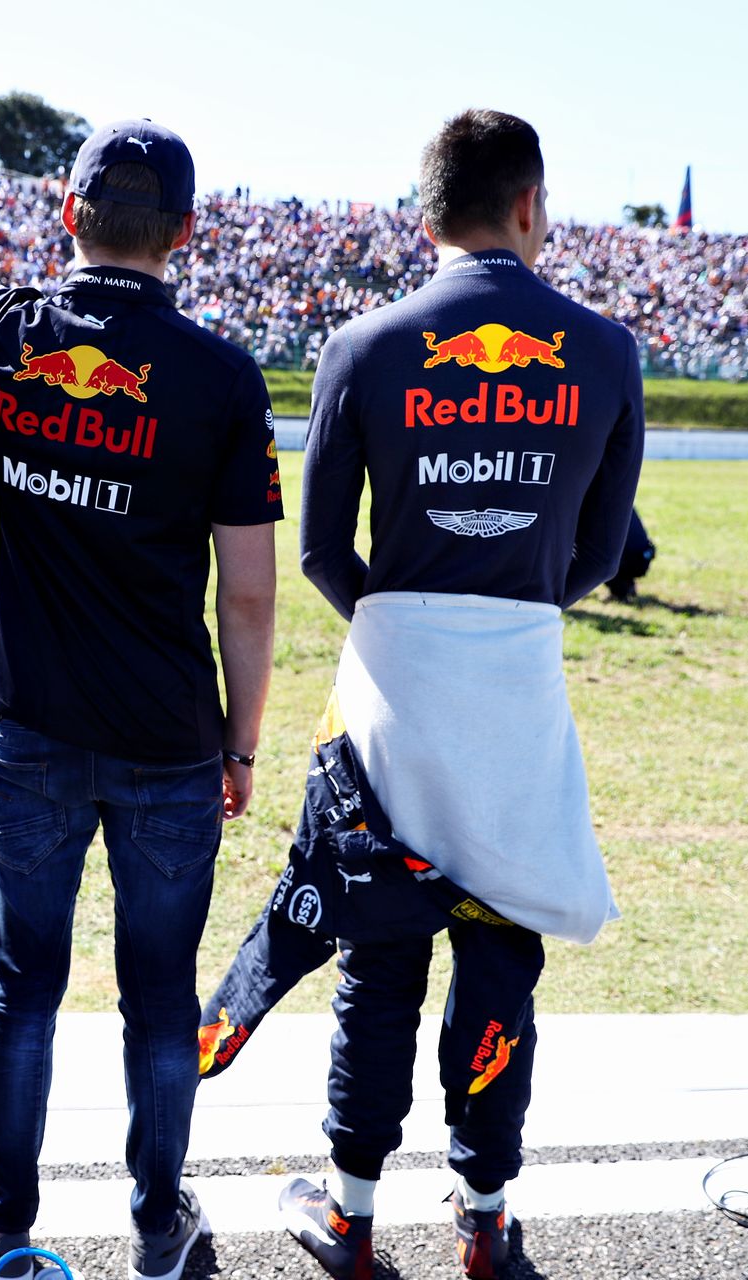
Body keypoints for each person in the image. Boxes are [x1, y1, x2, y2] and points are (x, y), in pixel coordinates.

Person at [0, 41, 282, 1280]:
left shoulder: (9, 330)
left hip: (35, 724)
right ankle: (157, 1221)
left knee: (24, 985)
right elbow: (249, 593)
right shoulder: (221, 379)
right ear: (186, 233)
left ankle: (7, 1214)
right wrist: (242, 741)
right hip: (169, 737)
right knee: (159, 994)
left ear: (68, 215)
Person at [269, 109, 644, 1279]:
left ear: (426, 213)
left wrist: (405, 620)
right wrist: (510, 610)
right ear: (530, 205)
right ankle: (484, 1215)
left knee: (380, 955)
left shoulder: (363, 344)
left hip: (393, 689)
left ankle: (350, 1215)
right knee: (500, 955)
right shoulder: (605, 348)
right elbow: (601, 552)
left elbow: (320, 549)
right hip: (519, 681)